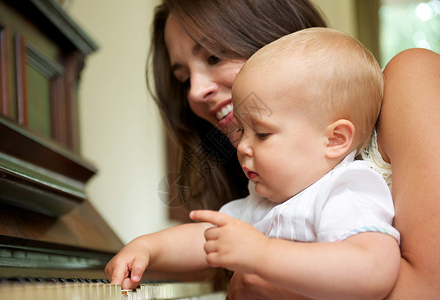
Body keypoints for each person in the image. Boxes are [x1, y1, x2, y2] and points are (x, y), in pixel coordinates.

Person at [105, 0, 440, 298]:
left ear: (336, 139)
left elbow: (376, 270)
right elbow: (206, 237)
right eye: (184, 79)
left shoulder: (346, 188)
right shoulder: (266, 195)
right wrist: (149, 247)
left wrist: (263, 259)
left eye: (213, 56)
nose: (194, 92)